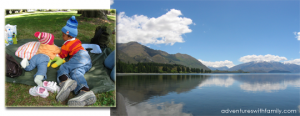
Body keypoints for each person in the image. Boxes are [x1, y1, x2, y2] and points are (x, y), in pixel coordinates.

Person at [55, 16, 96, 106]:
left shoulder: (66, 45)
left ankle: (64, 81)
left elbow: (62, 55)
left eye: (63, 35)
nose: (62, 36)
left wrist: (56, 55)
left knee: (64, 67)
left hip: (79, 56)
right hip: (87, 60)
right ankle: (85, 91)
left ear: (69, 36)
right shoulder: (77, 41)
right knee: (76, 73)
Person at [20, 32, 62, 97]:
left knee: (30, 66)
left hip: (35, 56)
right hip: (44, 58)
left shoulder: (41, 44)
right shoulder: (53, 47)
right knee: (42, 69)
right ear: (50, 41)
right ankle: (38, 78)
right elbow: (59, 50)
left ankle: (25, 64)